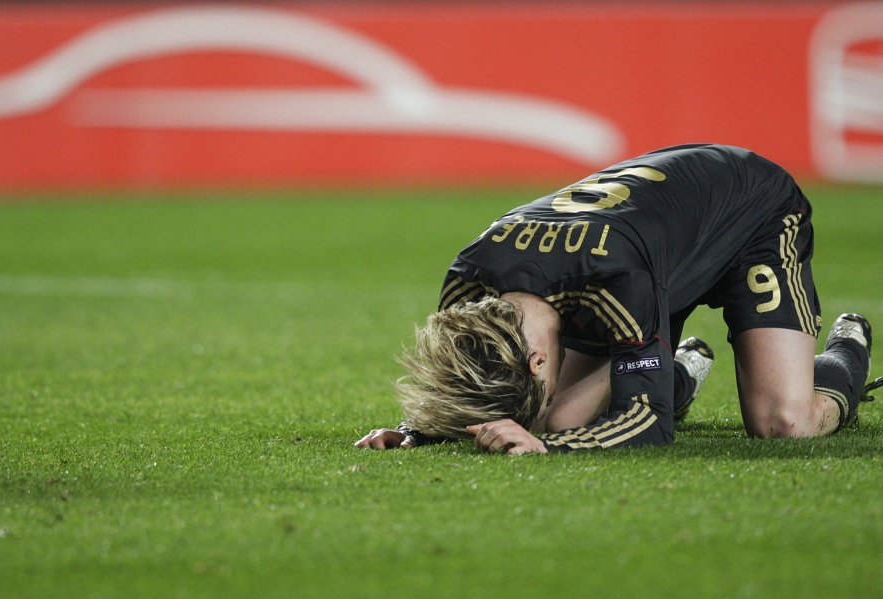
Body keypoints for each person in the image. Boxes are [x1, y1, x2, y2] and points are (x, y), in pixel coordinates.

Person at [355, 144, 881, 454]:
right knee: (561, 415)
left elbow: (649, 423)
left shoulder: (614, 282)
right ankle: (679, 369)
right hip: (653, 246)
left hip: (749, 209)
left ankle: (848, 353)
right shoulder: (469, 283)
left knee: (784, 425)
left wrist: (545, 444)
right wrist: (418, 432)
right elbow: (472, 378)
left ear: (538, 361)